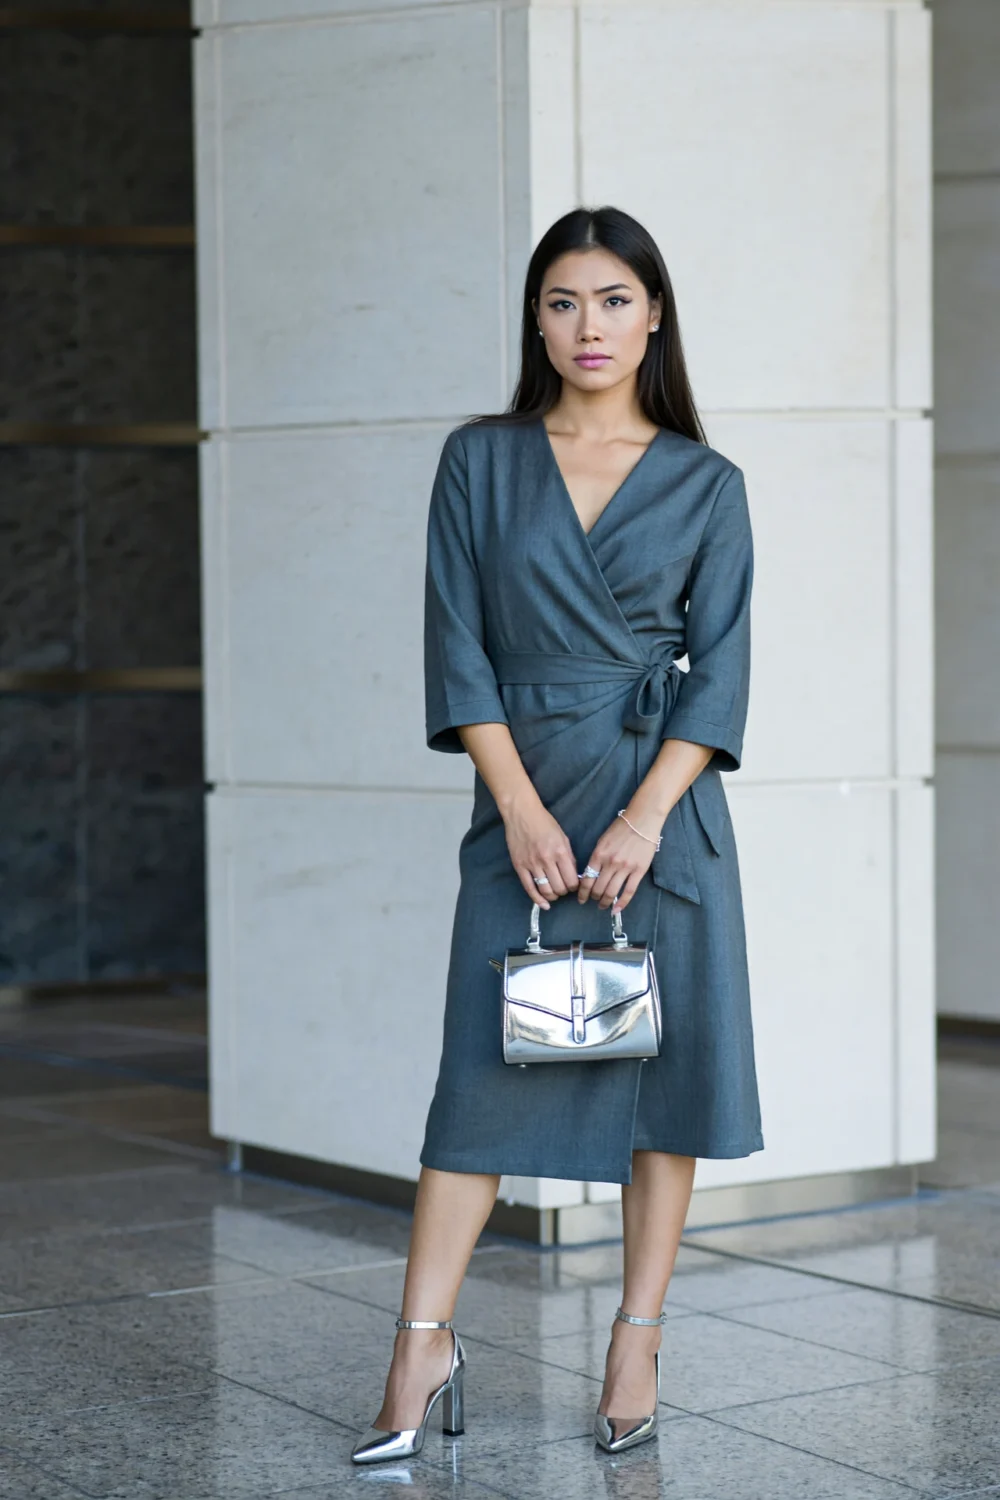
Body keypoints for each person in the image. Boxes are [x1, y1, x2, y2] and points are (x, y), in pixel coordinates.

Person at [352, 204, 763, 1465]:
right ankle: (421, 1344)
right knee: (477, 1087)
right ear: (535, 320)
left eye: (615, 299)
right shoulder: (479, 461)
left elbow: (720, 675)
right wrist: (520, 806)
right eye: (563, 301)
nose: (590, 325)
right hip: (521, 802)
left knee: (667, 1086)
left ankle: (636, 1341)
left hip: (661, 816)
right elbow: (456, 644)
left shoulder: (706, 482)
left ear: (655, 316)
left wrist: (643, 819)